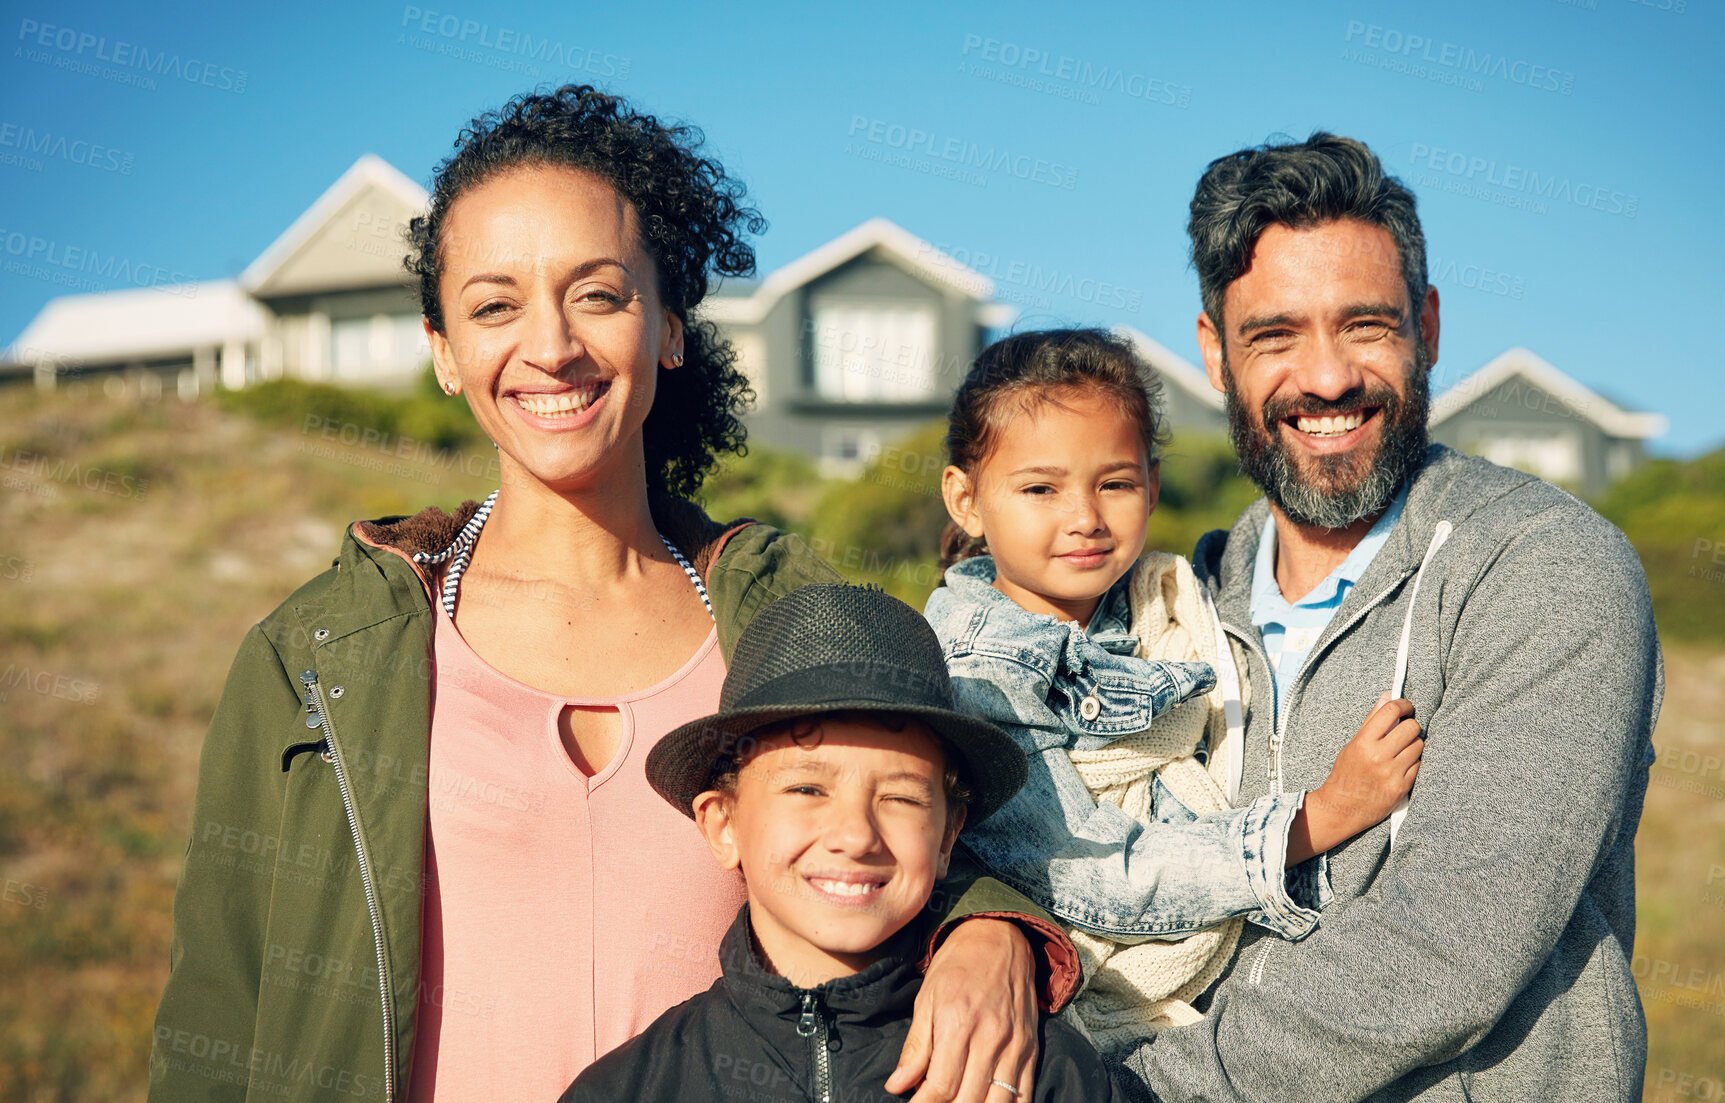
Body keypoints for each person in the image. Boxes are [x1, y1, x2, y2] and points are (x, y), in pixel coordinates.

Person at [149, 85, 1077, 1103]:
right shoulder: (315, 653)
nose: (550, 345)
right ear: (444, 352)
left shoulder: (787, 615)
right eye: (495, 304)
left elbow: (930, 831)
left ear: (671, 326)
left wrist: (993, 930)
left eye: (597, 293)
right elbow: (216, 1015)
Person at [1112, 133, 1662, 1102]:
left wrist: (1145, 1091)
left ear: (1430, 327)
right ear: (1213, 353)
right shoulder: (1171, 606)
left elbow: (1453, 936)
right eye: (1274, 335)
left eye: (1365, 325)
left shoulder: (1544, 566)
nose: (1326, 379)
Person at [923, 327, 1423, 1057]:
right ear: (966, 499)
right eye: (1040, 488)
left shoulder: (1173, 607)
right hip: (1058, 1019)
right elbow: (1091, 872)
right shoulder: (979, 670)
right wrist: (1318, 818)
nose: (1086, 517)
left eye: (1115, 483)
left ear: (1153, 485)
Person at [561, 583, 1121, 1103]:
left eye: (901, 798)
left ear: (949, 834)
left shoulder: (1038, 1071)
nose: (856, 836)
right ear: (722, 824)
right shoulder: (629, 1088)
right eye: (807, 788)